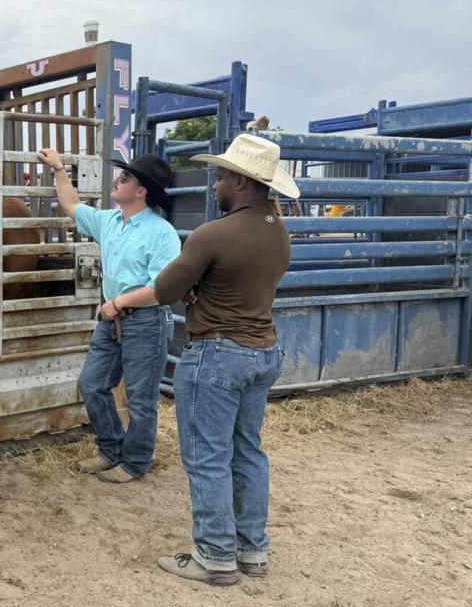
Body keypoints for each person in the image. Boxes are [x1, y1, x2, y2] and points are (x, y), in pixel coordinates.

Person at [153, 133, 299, 586]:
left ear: (239, 180)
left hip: (217, 352)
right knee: (247, 451)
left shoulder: (212, 234)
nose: (215, 183)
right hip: (262, 349)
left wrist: (195, 289)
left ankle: (214, 555)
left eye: (220, 176)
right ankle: (251, 550)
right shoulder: (278, 232)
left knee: (207, 457)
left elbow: (163, 290)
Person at [38, 149, 180, 484]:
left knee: (141, 398)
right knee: (92, 384)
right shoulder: (111, 221)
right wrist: (59, 168)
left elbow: (162, 288)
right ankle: (110, 448)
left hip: (145, 320)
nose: (117, 180)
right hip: (113, 317)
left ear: (142, 190)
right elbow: (72, 205)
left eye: (125, 177)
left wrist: (118, 302)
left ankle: (134, 463)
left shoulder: (162, 233)